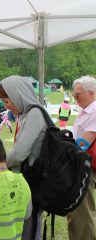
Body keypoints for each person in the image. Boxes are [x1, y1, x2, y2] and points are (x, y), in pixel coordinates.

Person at [0, 75, 47, 239]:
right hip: (29, 180)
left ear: (18, 95)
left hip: (34, 182)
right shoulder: (27, 115)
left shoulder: (34, 115)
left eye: (6, 101)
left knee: (30, 227)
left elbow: (19, 153)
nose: (6, 106)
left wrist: (0, 165)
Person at [67, 76, 96, 240]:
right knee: (74, 211)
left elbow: (83, 143)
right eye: (74, 94)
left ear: (91, 93)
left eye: (78, 94)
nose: (74, 97)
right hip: (79, 167)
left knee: (84, 215)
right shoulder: (85, 110)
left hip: (87, 168)